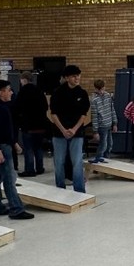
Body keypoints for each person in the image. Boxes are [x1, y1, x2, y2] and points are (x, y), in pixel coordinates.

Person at [0, 80, 34, 220]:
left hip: (4, 144)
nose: (11, 92)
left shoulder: (1, 106)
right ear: (1, 92)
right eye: (9, 90)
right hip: (1, 147)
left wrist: (14, 143)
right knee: (9, 178)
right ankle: (16, 209)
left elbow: (6, 129)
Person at [49, 64, 90, 193]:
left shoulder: (82, 93)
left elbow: (84, 114)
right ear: (67, 78)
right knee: (59, 162)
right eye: (74, 76)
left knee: (77, 162)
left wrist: (74, 129)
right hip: (59, 133)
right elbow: (53, 113)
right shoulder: (57, 93)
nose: (77, 78)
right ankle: (60, 188)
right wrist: (62, 129)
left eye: (78, 76)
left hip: (76, 133)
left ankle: (79, 190)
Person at [14, 72, 48, 177]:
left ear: (23, 79)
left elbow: (17, 108)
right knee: (38, 147)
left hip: (28, 125)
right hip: (40, 124)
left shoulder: (23, 92)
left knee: (28, 148)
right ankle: (40, 168)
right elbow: (45, 107)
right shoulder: (39, 91)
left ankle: (29, 169)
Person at [89, 79, 117, 164]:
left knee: (109, 144)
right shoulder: (94, 100)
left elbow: (112, 110)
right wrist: (95, 131)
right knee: (103, 145)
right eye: (99, 89)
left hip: (109, 124)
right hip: (101, 126)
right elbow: (94, 116)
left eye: (103, 89)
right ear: (96, 89)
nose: (101, 91)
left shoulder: (108, 96)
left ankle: (106, 158)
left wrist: (115, 123)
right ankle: (98, 159)